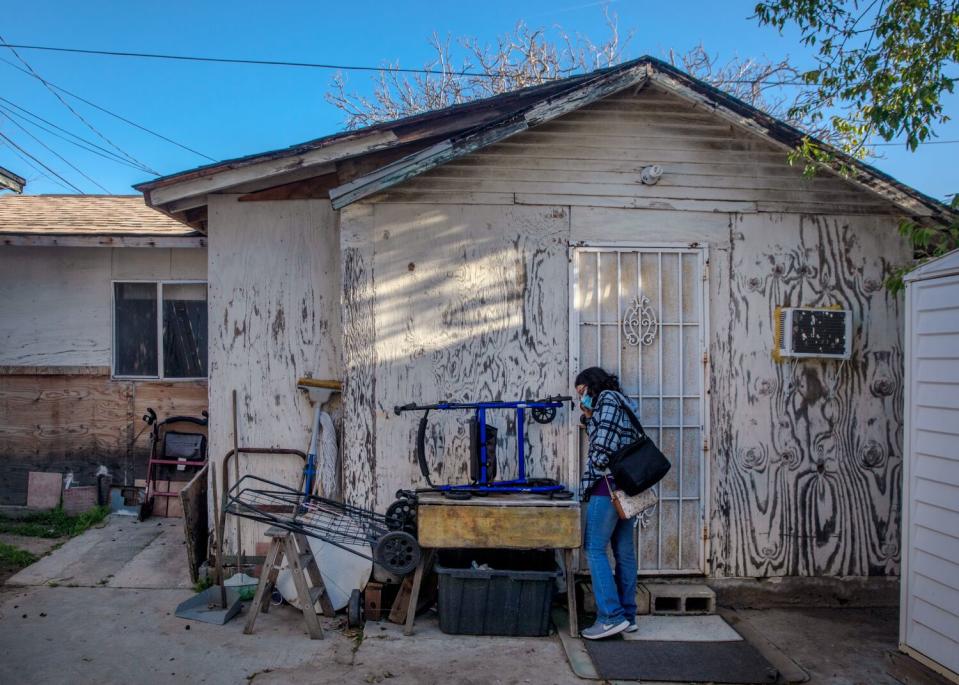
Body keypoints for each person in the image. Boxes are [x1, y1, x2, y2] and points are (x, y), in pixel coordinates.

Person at [575, 366, 640, 640]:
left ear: (592, 385)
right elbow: (607, 431)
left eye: (583, 391)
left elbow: (603, 446)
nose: (582, 397)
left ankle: (610, 617)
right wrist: (589, 417)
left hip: (608, 486)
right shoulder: (618, 403)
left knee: (595, 549)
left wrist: (596, 461)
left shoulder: (609, 400)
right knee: (623, 550)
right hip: (626, 487)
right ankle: (627, 616)